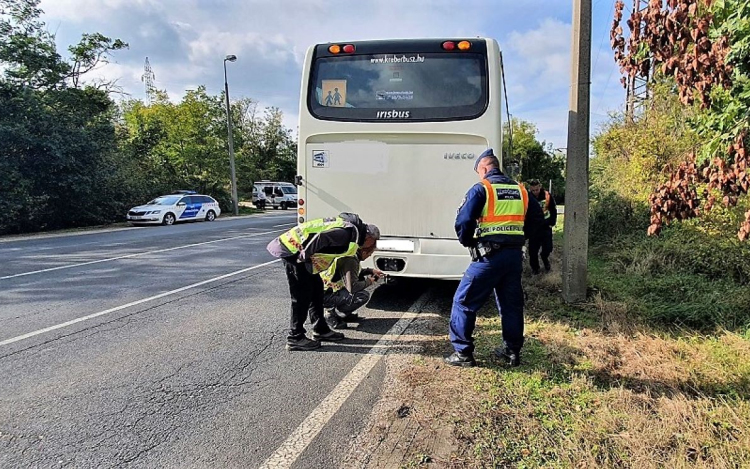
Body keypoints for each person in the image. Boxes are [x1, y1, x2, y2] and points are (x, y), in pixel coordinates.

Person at [445, 148, 544, 367]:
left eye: (478, 172)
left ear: (484, 168)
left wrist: (468, 241)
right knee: (511, 305)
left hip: (488, 258)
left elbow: (463, 221)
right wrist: (519, 238)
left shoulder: (483, 189)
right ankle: (511, 352)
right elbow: (538, 220)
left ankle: (463, 353)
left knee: (464, 301)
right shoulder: (522, 190)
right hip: (513, 258)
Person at [266, 213, 380, 351]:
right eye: (373, 243)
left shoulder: (352, 232)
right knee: (301, 297)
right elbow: (322, 237)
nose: (371, 246)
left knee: (316, 291)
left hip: (301, 255)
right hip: (293, 252)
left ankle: (320, 330)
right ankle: (295, 338)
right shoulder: (346, 233)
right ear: (368, 238)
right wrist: (304, 256)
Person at [320, 232, 384, 329]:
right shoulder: (351, 260)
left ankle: (343, 312)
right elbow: (352, 287)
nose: (369, 256)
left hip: (325, 290)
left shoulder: (351, 255)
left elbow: (352, 272)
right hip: (326, 294)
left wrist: (370, 270)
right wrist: (370, 281)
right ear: (363, 252)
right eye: (369, 253)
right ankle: (330, 313)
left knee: (359, 285)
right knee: (362, 295)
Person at [527, 179, 557, 274]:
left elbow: (553, 210)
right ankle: (535, 269)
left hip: (545, 227)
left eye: (537, 190)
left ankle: (544, 258)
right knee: (533, 251)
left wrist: (552, 222)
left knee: (548, 248)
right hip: (533, 228)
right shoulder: (527, 197)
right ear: (530, 189)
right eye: (533, 190)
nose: (535, 192)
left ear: (540, 187)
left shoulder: (547, 195)